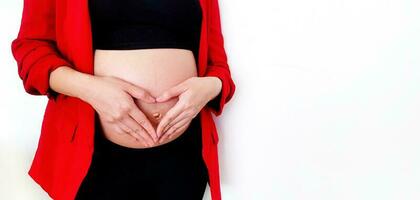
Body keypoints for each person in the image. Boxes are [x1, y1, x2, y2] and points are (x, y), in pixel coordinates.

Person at [10, 0, 236, 199]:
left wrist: (210, 87)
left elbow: (218, 68)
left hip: (182, 157)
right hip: (94, 156)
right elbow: (31, 51)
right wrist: (91, 90)